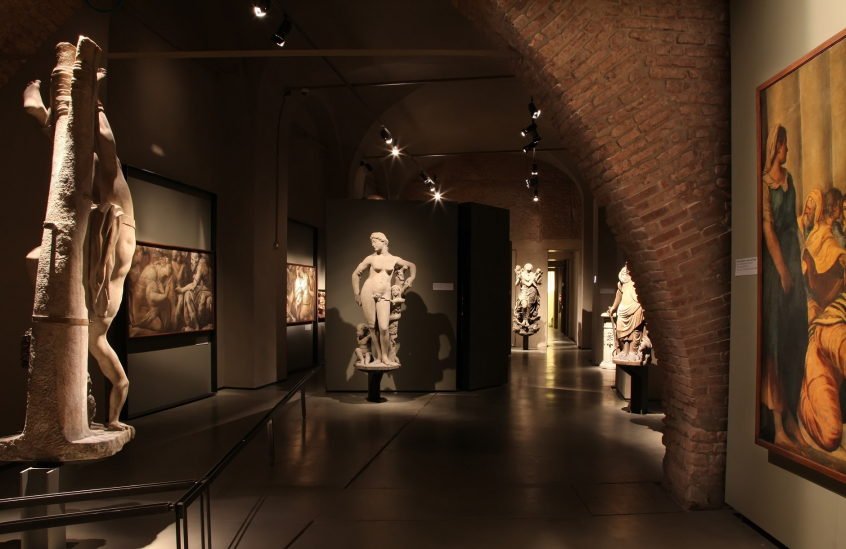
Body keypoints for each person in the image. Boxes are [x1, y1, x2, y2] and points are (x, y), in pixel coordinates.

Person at [24, 71, 135, 432]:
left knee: (101, 163)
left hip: (111, 242)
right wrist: (114, 421)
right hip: (105, 246)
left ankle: (79, 107)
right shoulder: (93, 338)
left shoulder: (89, 332)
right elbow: (120, 383)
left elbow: (121, 384)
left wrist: (115, 420)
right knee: (98, 166)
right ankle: (68, 109)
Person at [760, 124, 808, 445]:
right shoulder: (767, 185)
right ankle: (777, 423)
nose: (787, 151)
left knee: (795, 336)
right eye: (784, 146)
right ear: (776, 147)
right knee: (776, 340)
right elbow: (769, 229)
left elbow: (793, 224)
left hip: (794, 258)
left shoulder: (789, 182)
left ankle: (791, 413)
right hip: (779, 267)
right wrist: (781, 269)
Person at [351, 232, 416, 366]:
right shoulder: (370, 258)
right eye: (372, 242)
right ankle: (380, 356)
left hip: (385, 293)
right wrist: (357, 294)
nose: (373, 244)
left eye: (375, 241)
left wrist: (411, 277)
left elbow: (412, 265)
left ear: (384, 242)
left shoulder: (394, 259)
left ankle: (385, 357)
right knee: (372, 326)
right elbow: (356, 274)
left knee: (383, 327)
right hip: (368, 291)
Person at [607, 263, 645, 361]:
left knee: (635, 331)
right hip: (623, 308)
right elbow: (619, 295)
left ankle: (633, 352)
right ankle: (625, 350)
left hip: (636, 306)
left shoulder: (640, 277)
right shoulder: (623, 279)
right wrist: (613, 308)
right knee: (620, 330)